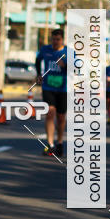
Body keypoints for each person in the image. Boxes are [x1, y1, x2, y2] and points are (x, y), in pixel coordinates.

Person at [36, 28, 67, 157]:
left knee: (60, 118)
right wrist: (39, 74)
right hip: (48, 87)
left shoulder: (68, 52)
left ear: (62, 40)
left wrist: (65, 66)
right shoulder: (45, 50)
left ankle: (59, 142)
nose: (55, 42)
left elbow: (77, 69)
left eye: (58, 39)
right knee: (50, 113)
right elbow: (38, 61)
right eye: (53, 39)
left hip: (63, 89)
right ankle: (50, 144)